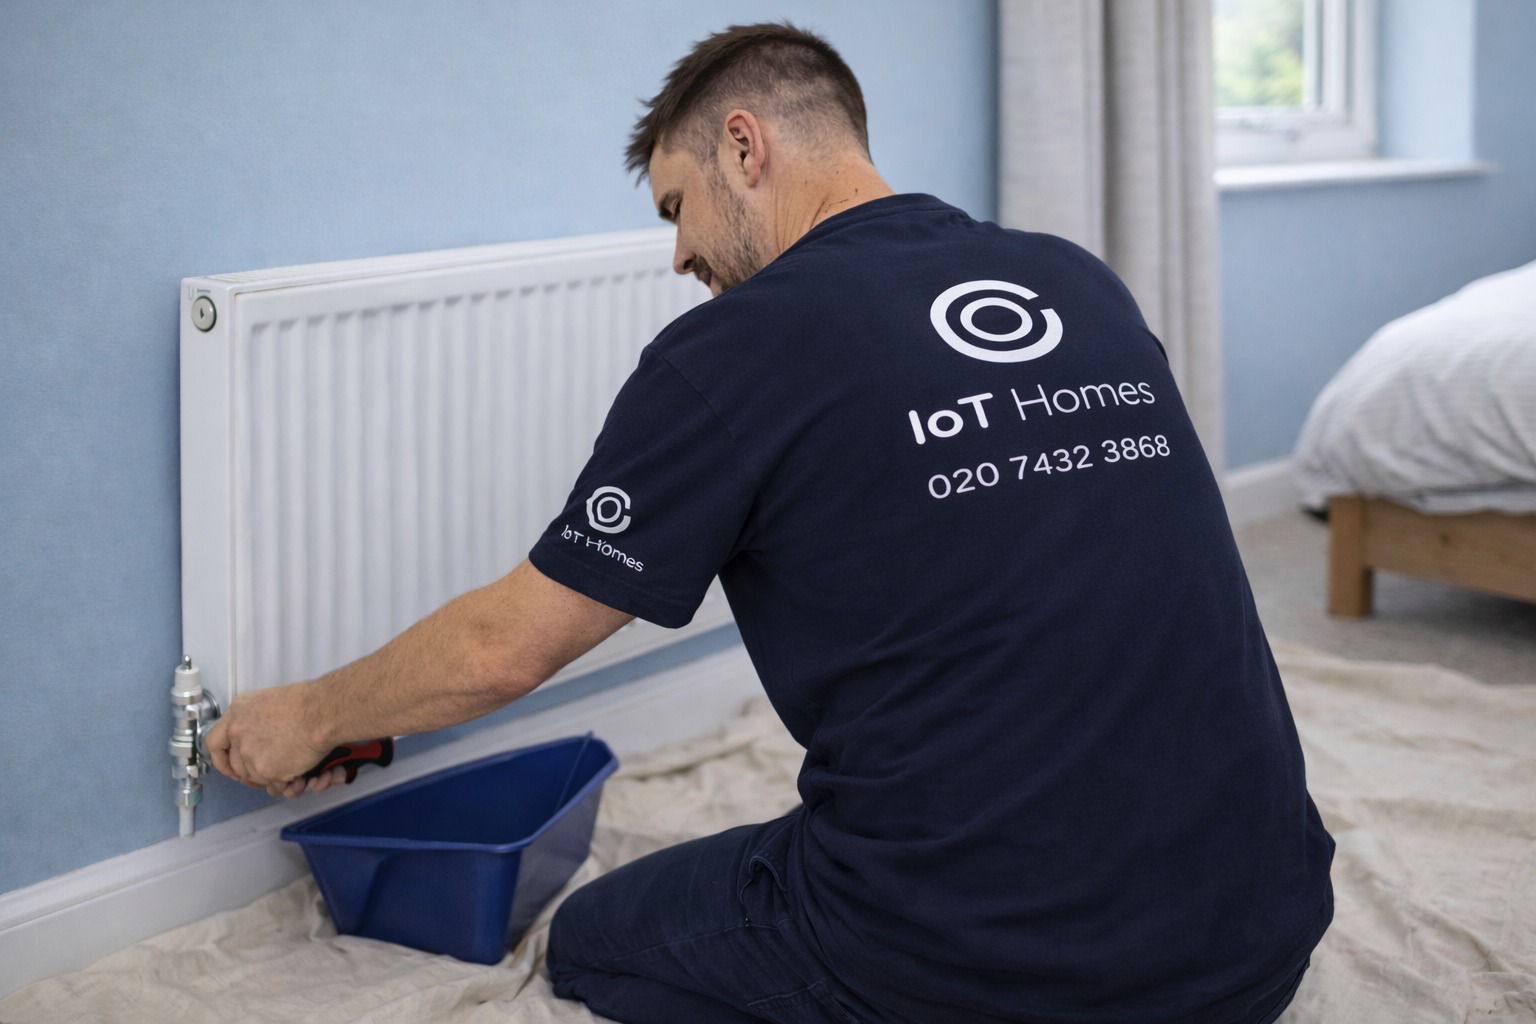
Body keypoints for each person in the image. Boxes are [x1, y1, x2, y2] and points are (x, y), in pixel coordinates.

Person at [207, 21, 1334, 1024]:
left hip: (1000, 969)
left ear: (745, 148)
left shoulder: (734, 350)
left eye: (675, 206)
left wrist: (310, 713)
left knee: (596, 940)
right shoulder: (1075, 276)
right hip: (1263, 928)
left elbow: (509, 644)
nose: (679, 255)